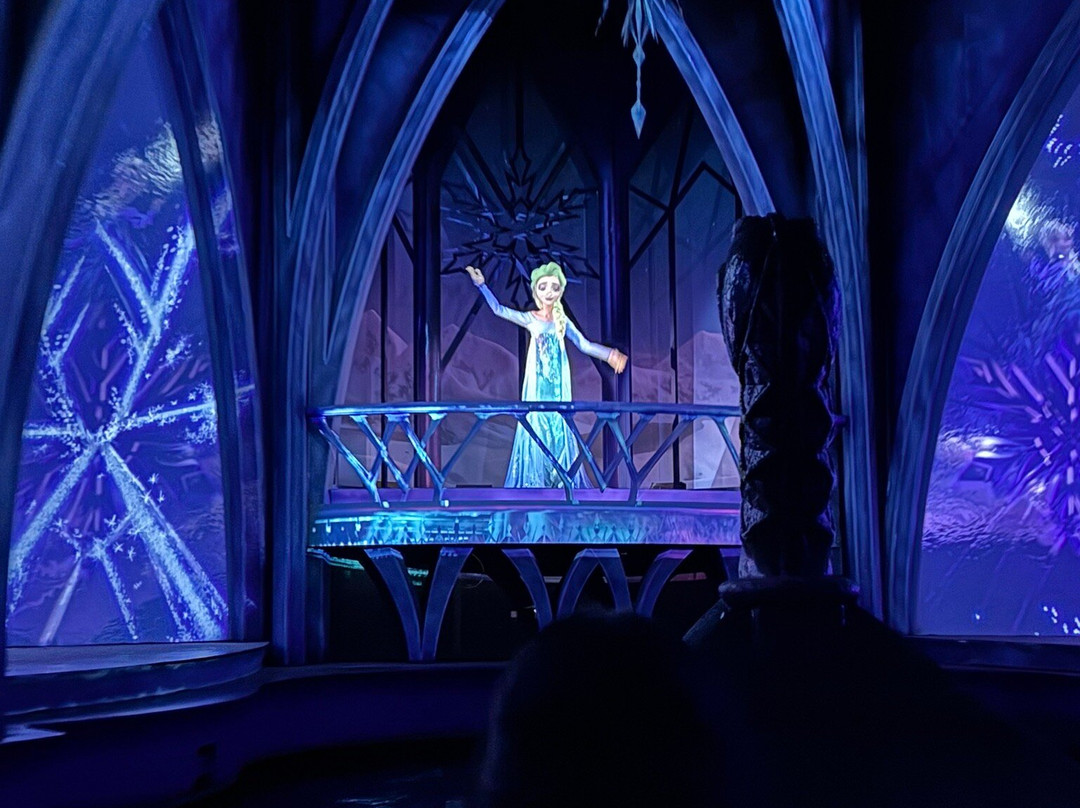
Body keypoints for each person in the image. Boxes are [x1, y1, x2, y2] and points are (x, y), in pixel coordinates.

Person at [466, 262, 627, 488]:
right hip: (538, 386)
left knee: (559, 427)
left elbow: (584, 344)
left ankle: (560, 480)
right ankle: (538, 481)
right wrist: (482, 286)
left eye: (554, 287)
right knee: (537, 426)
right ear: (536, 291)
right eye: (543, 287)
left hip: (558, 387)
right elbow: (499, 310)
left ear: (560, 291)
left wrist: (609, 355)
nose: (549, 292)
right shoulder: (531, 318)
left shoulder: (562, 321)